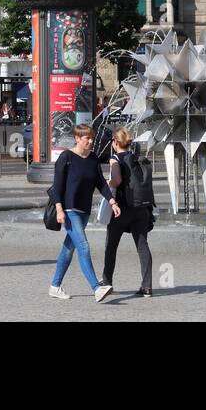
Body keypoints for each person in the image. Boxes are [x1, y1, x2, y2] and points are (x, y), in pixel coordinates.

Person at [49, 124, 118, 302]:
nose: (91, 141)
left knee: (68, 249)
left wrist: (112, 201)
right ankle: (96, 288)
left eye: (92, 138)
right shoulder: (66, 157)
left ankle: (54, 286)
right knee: (84, 246)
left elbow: (101, 183)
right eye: (87, 138)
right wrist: (59, 209)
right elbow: (57, 186)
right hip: (69, 209)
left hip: (84, 210)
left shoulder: (93, 158)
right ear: (77, 138)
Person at [102, 128, 154, 296]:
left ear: (115, 143)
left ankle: (107, 281)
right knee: (142, 247)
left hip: (122, 209)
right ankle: (147, 286)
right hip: (141, 209)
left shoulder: (115, 158)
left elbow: (116, 181)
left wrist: (105, 182)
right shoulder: (137, 158)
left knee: (111, 246)